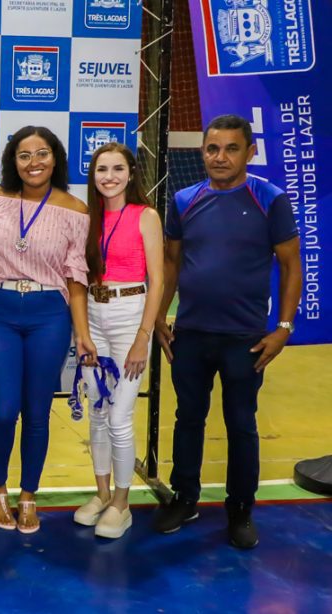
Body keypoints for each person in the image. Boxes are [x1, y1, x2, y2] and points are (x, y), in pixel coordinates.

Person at [152, 115, 301, 549]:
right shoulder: (183, 199)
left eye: (231, 148)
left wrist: (284, 329)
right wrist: (161, 316)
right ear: (202, 152)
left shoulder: (269, 200)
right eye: (212, 148)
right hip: (191, 335)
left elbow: (291, 265)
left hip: (245, 339)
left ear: (249, 151)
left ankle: (240, 509)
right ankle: (184, 498)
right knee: (188, 419)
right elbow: (172, 263)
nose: (220, 157)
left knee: (241, 423)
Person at [0, 126, 94, 534]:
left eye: (42, 153)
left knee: (38, 412)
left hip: (50, 313)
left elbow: (76, 277)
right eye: (24, 155)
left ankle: (29, 496)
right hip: (0, 311)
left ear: (56, 158)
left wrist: (82, 334)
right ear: (14, 161)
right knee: (4, 410)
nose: (34, 162)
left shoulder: (76, 209)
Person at [71, 143, 164, 539]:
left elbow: (158, 281)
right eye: (101, 169)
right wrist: (83, 332)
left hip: (131, 318)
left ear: (131, 173)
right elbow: (77, 279)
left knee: (119, 418)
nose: (109, 176)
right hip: (95, 313)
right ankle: (103, 494)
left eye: (117, 169)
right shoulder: (86, 219)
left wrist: (144, 338)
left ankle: (123, 504)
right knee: (97, 411)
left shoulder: (147, 216)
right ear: (93, 176)